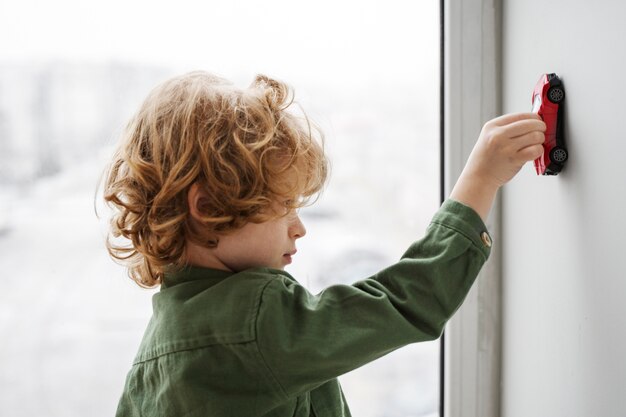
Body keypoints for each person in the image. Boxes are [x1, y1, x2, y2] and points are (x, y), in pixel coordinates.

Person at [102, 71, 545, 416]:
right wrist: (481, 179)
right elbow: (407, 301)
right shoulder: (253, 321)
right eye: (284, 205)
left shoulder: (156, 349)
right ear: (209, 206)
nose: (299, 227)